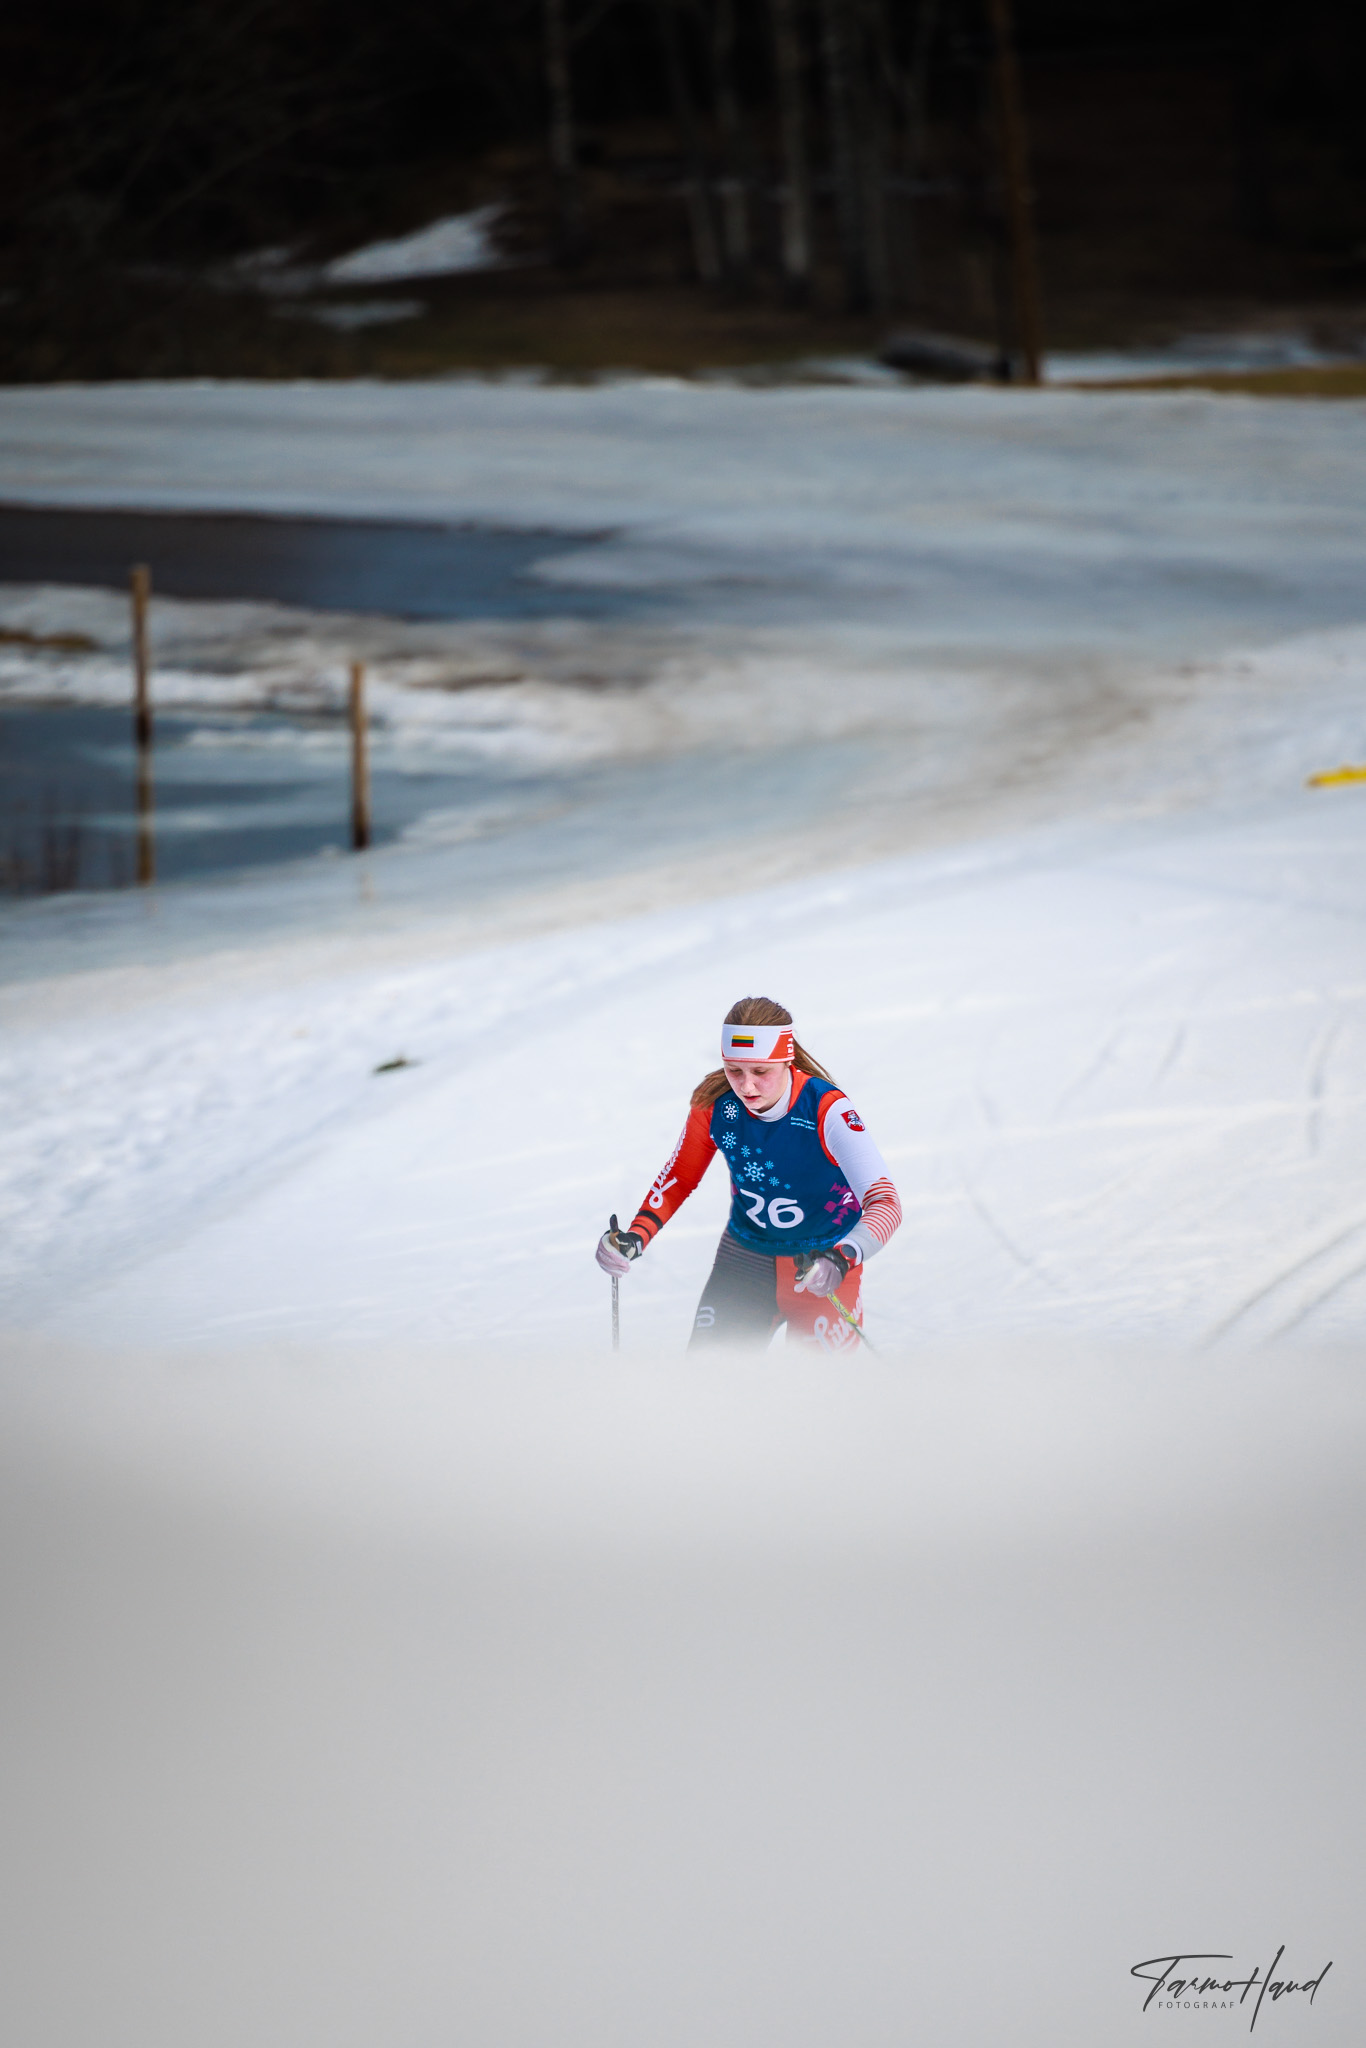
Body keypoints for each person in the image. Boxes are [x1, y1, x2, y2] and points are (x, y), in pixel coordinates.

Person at [596, 996, 901, 1351]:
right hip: (745, 1261)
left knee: (814, 1383)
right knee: (709, 1376)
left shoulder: (826, 1109)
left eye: (760, 1072)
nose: (746, 1087)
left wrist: (842, 1257)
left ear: (786, 1060)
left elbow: (886, 1203)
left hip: (821, 1266)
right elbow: (680, 1176)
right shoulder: (716, 1105)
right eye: (734, 1070)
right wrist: (636, 1235)